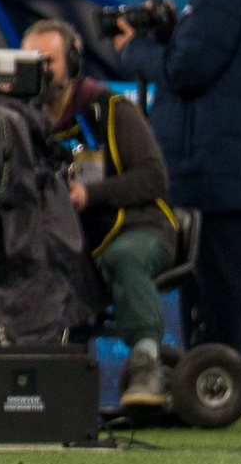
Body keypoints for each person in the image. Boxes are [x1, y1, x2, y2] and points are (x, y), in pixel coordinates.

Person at [108, 0, 241, 374]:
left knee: (218, 290)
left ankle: (217, 385)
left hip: (216, 173)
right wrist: (167, 36)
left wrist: (135, 49)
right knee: (228, 291)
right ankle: (233, 381)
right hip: (223, 171)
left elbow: (187, 72)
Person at [25, 20, 178, 408]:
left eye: (49, 61)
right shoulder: (24, 122)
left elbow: (153, 178)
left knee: (122, 257)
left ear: (72, 60)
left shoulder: (111, 109)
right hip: (66, 239)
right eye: (32, 62)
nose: (41, 71)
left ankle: (145, 363)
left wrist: (89, 195)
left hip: (139, 227)